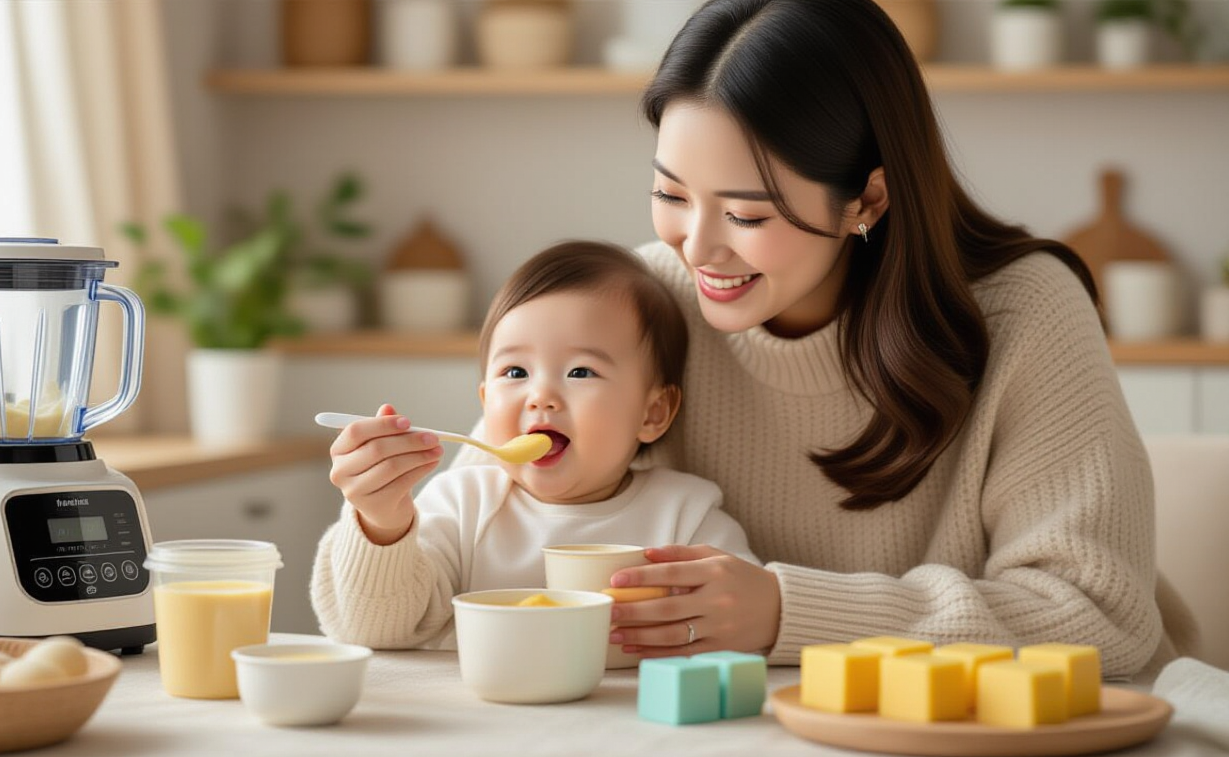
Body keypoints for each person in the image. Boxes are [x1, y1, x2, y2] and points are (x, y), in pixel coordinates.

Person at [453, 0, 1193, 679]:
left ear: (865, 199)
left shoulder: (1025, 313)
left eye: (746, 215)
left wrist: (788, 613)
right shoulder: (639, 308)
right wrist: (384, 525)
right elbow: (473, 506)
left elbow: (1102, 617)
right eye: (672, 195)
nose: (698, 247)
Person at [311, 240, 759, 650]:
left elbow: (738, 623)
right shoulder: (462, 504)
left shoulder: (685, 514)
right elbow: (378, 630)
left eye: (581, 372)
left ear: (653, 413)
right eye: (515, 373)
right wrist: (382, 522)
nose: (540, 395)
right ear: (486, 402)